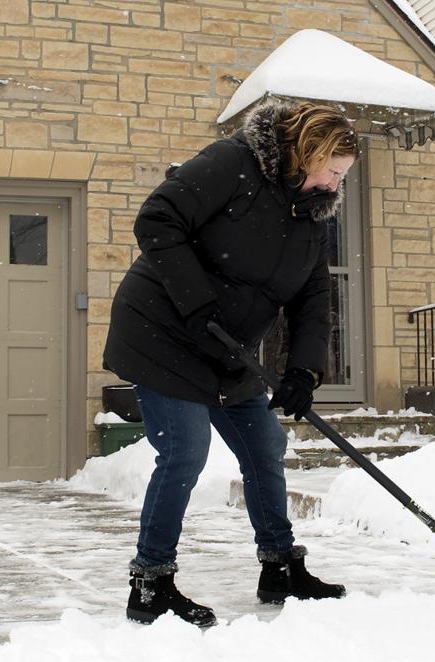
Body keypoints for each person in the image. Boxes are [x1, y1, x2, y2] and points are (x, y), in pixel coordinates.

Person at [102, 100, 360, 627]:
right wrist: (196, 303)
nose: (336, 184)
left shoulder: (312, 215)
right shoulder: (234, 163)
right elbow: (157, 219)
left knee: (264, 446)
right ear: (307, 151)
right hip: (165, 332)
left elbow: (313, 298)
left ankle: (280, 567)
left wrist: (303, 371)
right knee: (185, 451)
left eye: (343, 176)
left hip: (229, 349)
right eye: (333, 171)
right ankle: (151, 582)